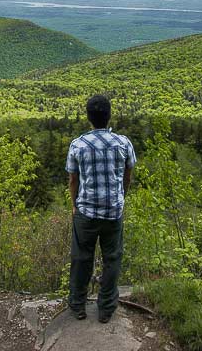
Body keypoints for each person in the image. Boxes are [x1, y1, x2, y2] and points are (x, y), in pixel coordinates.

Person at [66, 94, 136, 323]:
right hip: (113, 211)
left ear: (89, 117)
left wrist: (74, 205)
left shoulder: (78, 144)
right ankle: (106, 309)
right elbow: (128, 176)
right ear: (109, 116)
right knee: (112, 258)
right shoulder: (123, 143)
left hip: (85, 211)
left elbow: (73, 180)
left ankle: (78, 305)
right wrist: (121, 197)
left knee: (81, 258)